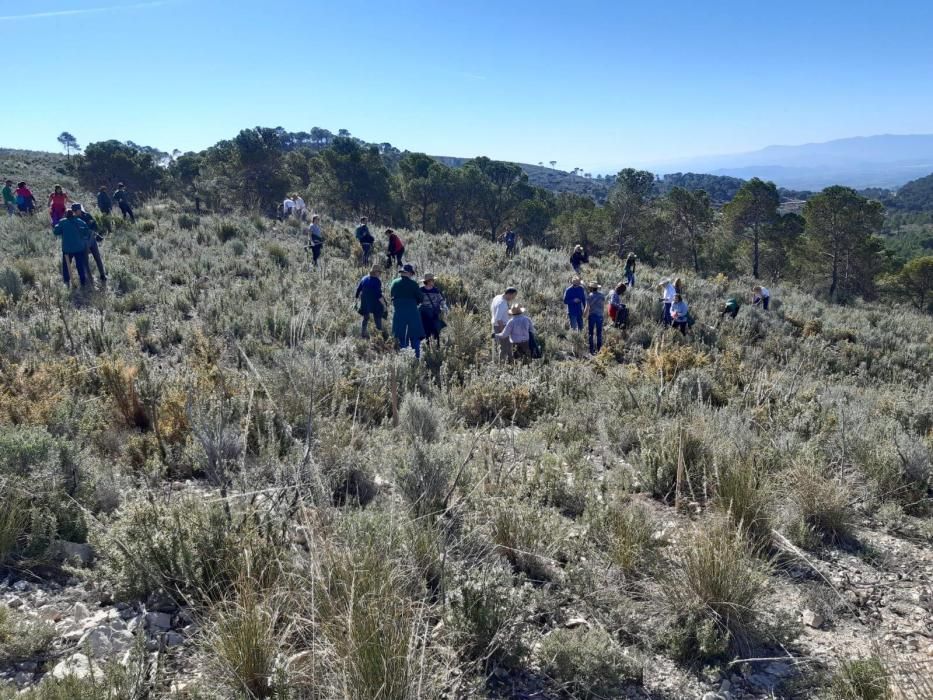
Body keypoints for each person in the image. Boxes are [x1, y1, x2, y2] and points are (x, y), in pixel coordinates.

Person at [390, 264, 425, 358]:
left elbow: (392, 296)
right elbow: (421, 299)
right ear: (409, 273)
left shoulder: (394, 283)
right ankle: (416, 358)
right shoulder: (413, 284)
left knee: (401, 336)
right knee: (415, 336)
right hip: (412, 314)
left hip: (399, 313)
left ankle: (403, 358)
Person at [54, 210, 91, 287]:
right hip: (79, 248)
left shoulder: (63, 222)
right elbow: (87, 231)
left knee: (66, 266)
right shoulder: (79, 221)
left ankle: (67, 281)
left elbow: (56, 232)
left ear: (66, 215)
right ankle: (83, 282)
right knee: (80, 265)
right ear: (73, 214)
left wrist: (56, 225)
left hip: (67, 249)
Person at [72, 204, 107, 282]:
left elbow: (95, 226)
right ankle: (90, 279)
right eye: (74, 211)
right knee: (85, 262)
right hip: (83, 242)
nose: (75, 213)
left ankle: (103, 276)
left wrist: (92, 231)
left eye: (75, 211)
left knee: (98, 258)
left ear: (79, 210)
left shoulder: (87, 215)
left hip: (92, 239)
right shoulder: (74, 220)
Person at [355, 266, 386, 338]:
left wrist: (356, 300)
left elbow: (358, 290)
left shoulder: (364, 278)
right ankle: (379, 335)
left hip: (365, 301)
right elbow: (379, 295)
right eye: (379, 272)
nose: (380, 274)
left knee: (365, 318)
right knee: (378, 316)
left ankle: (363, 334)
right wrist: (384, 305)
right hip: (375, 303)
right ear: (375, 272)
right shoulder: (377, 281)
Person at [490, 286, 518, 361]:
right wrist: (503, 332)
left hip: (498, 325)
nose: (513, 298)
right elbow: (498, 319)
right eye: (513, 296)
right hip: (501, 326)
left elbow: (494, 310)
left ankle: (510, 361)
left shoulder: (498, 297)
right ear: (509, 294)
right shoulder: (502, 303)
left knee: (509, 345)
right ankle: (502, 364)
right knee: (504, 348)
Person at [419, 273, 448, 346]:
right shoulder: (420, 290)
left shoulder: (435, 290)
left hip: (434, 314)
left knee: (436, 331)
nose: (434, 282)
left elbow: (440, 300)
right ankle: (427, 347)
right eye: (432, 280)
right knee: (426, 331)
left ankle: (437, 347)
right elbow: (417, 301)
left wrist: (444, 306)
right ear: (428, 281)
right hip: (425, 315)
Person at [585, 282, 606, 354]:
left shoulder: (590, 296)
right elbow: (603, 305)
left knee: (591, 333)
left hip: (592, 316)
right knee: (599, 333)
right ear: (597, 288)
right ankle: (599, 349)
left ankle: (591, 350)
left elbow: (587, 307)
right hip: (600, 316)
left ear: (591, 288)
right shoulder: (602, 295)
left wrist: (584, 315)